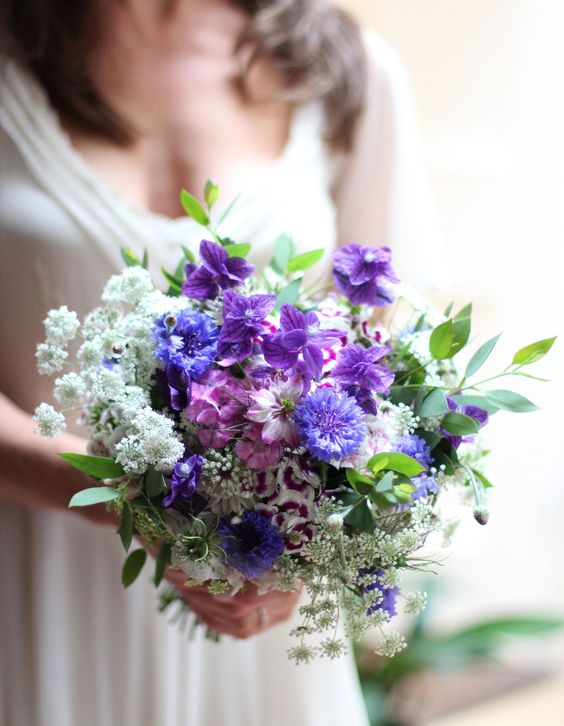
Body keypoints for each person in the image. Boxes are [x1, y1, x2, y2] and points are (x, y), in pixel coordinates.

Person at [0, 1, 437, 724]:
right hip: (37, 590)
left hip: (259, 614)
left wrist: (313, 536)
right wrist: (132, 506)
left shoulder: (342, 68)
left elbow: (382, 362)